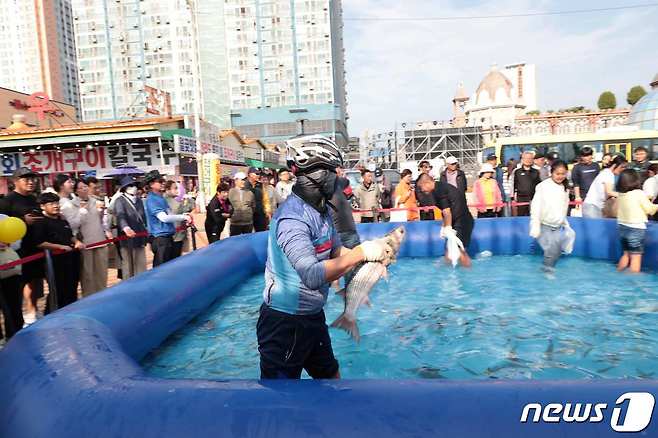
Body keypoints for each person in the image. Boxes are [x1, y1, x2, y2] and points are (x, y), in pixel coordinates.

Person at [257, 134, 392, 379]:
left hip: (312, 317)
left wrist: (372, 257)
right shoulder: (292, 219)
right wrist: (361, 252)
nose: (338, 177)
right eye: (332, 171)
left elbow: (337, 251)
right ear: (313, 175)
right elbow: (311, 274)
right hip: (284, 323)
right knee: (281, 399)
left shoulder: (321, 211)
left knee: (332, 379)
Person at [0, 168, 43, 325]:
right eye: (26, 179)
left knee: (35, 281)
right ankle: (27, 313)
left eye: (32, 179)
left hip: (37, 247)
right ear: (15, 181)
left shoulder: (34, 199)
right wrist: (22, 220)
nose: (30, 182)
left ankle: (34, 309)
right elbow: (4, 223)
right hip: (16, 251)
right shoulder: (7, 201)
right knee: (19, 285)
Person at [32, 192, 85, 314]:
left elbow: (70, 235)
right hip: (54, 262)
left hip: (70, 259)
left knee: (72, 287)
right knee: (58, 290)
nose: (55, 206)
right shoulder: (41, 222)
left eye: (56, 203)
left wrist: (77, 241)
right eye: (51, 204)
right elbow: (40, 242)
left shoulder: (62, 220)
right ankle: (52, 315)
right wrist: (60, 247)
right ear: (42, 206)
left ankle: (71, 313)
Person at [417, 173, 473, 267]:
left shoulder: (439, 190)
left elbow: (447, 211)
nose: (421, 190)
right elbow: (446, 210)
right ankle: (447, 272)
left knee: (460, 250)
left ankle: (468, 273)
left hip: (463, 221)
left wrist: (448, 227)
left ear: (427, 183)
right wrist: (444, 226)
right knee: (448, 249)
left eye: (421, 187)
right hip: (457, 220)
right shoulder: (436, 190)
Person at [143, 170, 192, 267]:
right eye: (159, 181)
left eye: (162, 181)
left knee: (169, 267)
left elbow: (169, 214)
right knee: (161, 270)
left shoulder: (160, 198)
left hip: (167, 238)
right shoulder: (152, 199)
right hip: (160, 239)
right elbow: (164, 218)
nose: (162, 183)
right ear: (152, 184)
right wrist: (183, 217)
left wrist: (184, 216)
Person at [529, 160, 572, 270]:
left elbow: (563, 207)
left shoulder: (565, 187)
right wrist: (535, 225)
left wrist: (565, 223)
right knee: (551, 250)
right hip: (544, 225)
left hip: (557, 225)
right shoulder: (543, 186)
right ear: (551, 172)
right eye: (557, 174)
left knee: (556, 251)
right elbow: (535, 206)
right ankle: (548, 273)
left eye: (563, 174)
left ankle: (545, 270)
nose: (560, 176)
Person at [615, 169, 658, 273]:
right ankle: (634, 284)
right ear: (635, 180)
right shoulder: (639, 193)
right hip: (636, 228)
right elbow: (650, 210)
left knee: (626, 254)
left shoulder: (621, 194)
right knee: (636, 257)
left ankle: (619, 273)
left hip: (622, 227)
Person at [75, 179, 112, 296]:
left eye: (85, 186)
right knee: (87, 275)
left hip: (100, 240)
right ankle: (89, 298)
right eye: (81, 188)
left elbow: (103, 221)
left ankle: (102, 295)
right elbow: (74, 224)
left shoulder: (96, 201)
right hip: (85, 244)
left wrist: (107, 230)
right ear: (76, 191)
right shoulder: (73, 204)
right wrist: (82, 210)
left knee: (101, 273)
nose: (84, 189)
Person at [113, 175, 148, 279]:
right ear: (125, 188)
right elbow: (120, 216)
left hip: (140, 237)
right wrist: (126, 228)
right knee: (128, 266)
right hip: (127, 239)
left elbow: (143, 217)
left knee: (141, 265)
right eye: (131, 185)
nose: (134, 187)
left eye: (135, 185)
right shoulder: (120, 200)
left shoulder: (139, 200)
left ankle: (142, 284)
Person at [0, 213, 24, 341]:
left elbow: (17, 242)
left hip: (9, 269)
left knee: (14, 303)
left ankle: (15, 334)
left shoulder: (4, 218)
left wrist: (7, 242)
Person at [164, 180, 195, 258]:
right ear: (167, 190)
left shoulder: (172, 200)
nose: (177, 190)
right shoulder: (167, 201)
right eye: (175, 188)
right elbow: (181, 211)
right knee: (174, 258)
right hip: (175, 236)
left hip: (177, 235)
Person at [512, 151, 541, 216]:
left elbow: (539, 185)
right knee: (521, 217)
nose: (528, 160)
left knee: (534, 216)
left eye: (530, 158)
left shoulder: (536, 172)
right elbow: (513, 185)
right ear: (522, 159)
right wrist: (512, 198)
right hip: (521, 199)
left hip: (533, 198)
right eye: (526, 158)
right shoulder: (517, 171)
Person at [228, 172, 255, 236]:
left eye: (244, 180)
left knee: (247, 243)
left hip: (248, 223)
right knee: (234, 243)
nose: (243, 182)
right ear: (236, 181)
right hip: (235, 223)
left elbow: (253, 206)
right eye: (242, 180)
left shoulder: (250, 193)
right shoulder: (230, 192)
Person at [245, 167, 267, 232]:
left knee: (261, 233)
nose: (258, 175)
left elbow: (265, 199)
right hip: (248, 214)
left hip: (260, 213)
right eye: (256, 174)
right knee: (248, 236)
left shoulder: (260, 185)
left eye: (259, 174)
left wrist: (266, 211)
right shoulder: (244, 185)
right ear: (250, 174)